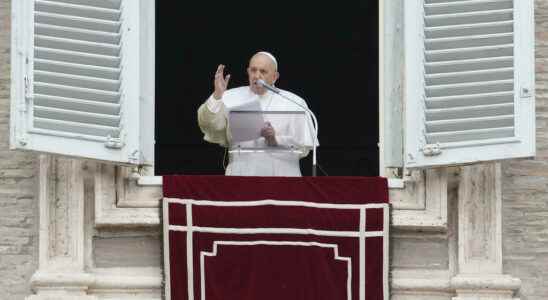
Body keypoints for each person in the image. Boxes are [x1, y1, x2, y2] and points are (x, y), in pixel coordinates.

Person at [197, 51, 317, 176]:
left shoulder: (294, 102)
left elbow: (303, 147)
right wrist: (217, 96)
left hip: (282, 175)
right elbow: (208, 125)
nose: (257, 75)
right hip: (241, 175)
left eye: (263, 71)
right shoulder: (230, 96)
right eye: (253, 70)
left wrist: (275, 140)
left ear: (275, 76)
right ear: (248, 71)